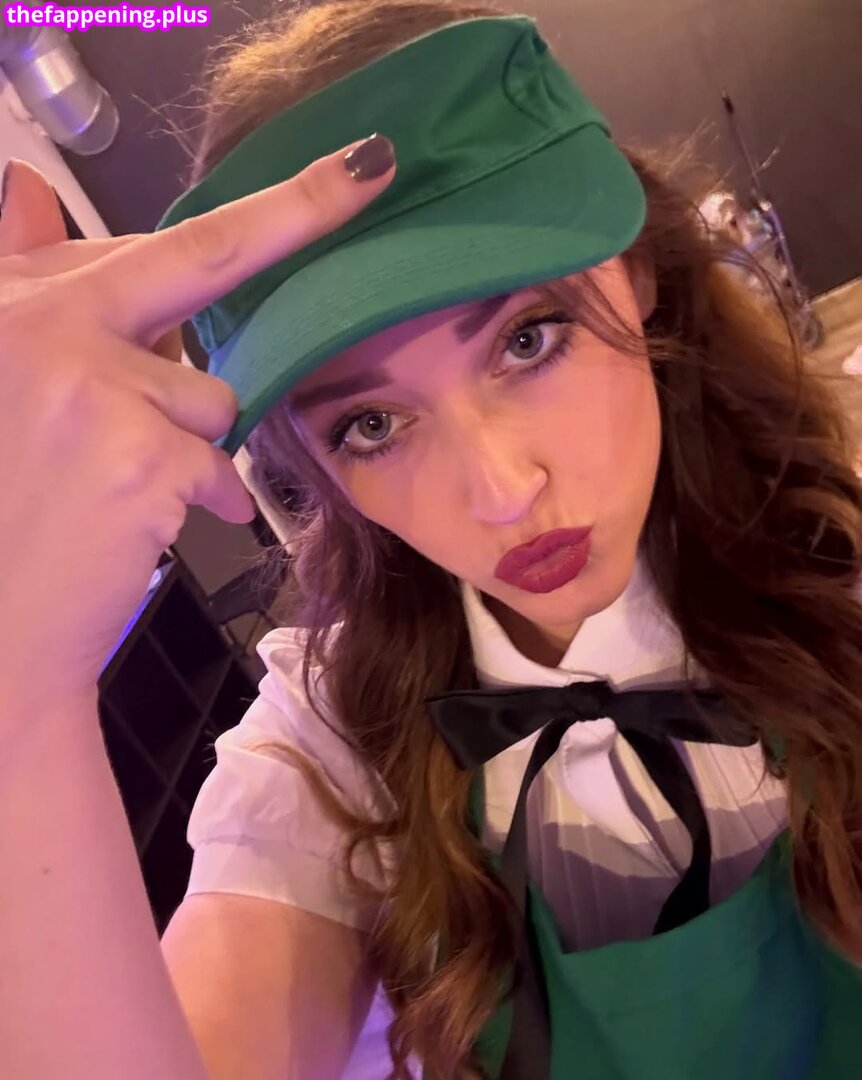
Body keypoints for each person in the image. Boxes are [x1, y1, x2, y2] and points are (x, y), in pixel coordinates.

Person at [1, 2, 861, 1078]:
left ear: (636, 271)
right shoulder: (333, 745)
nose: (501, 493)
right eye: (371, 426)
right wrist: (22, 693)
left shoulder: (839, 557)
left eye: (528, 339)